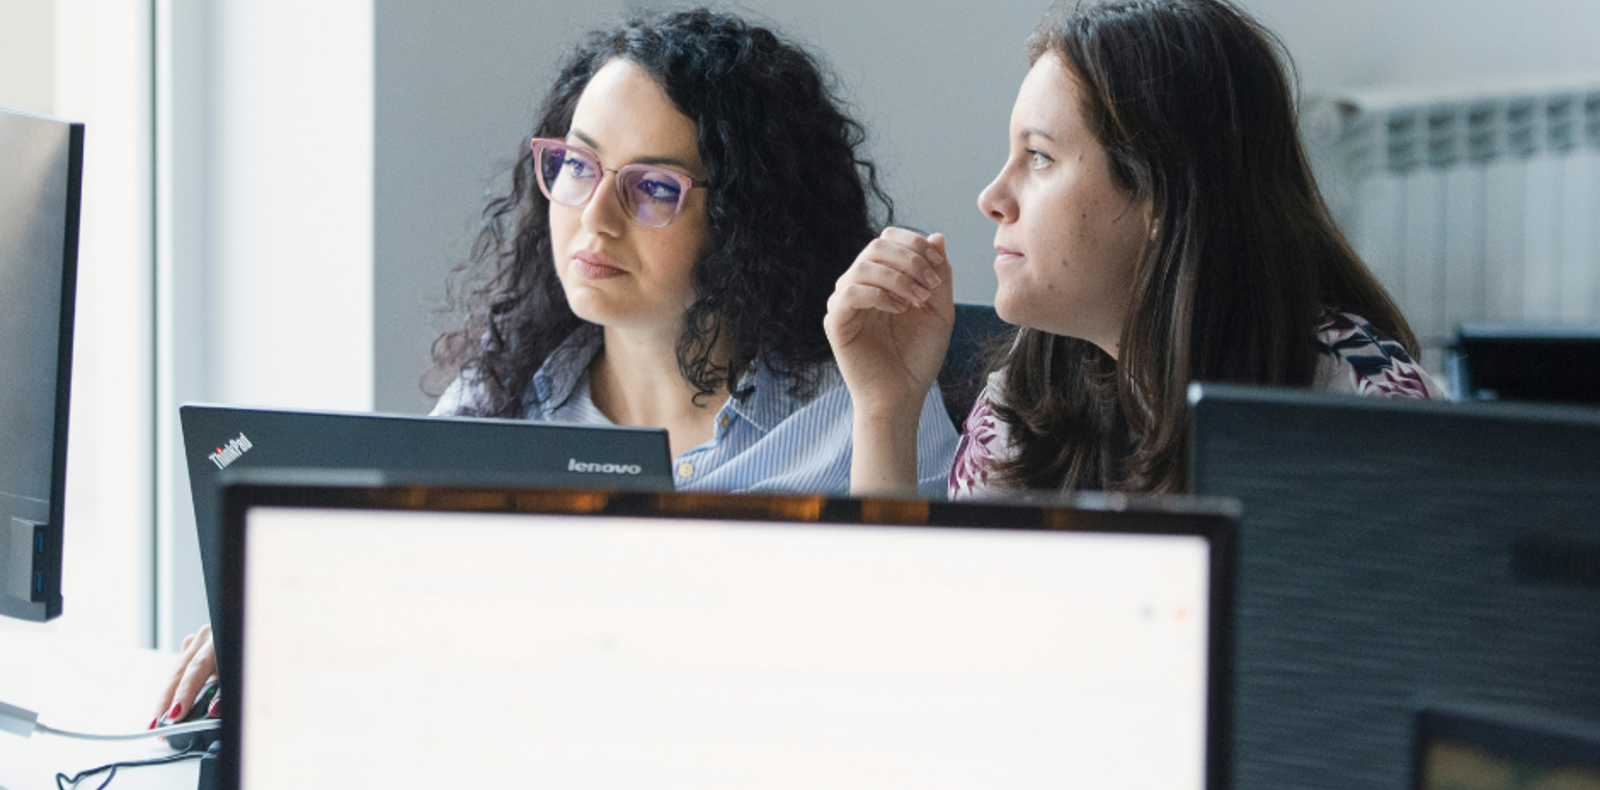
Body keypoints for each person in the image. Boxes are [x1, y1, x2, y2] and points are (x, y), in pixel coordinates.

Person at [153, 7, 958, 730]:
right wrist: (286, 620)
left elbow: (907, 684)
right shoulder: (499, 399)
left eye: (651, 187)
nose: (593, 219)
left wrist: (884, 417)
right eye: (576, 166)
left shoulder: (862, 401)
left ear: (748, 216)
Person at [827, 0, 1443, 499]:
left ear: (1160, 196)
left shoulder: (1361, 405)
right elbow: (929, 639)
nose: (992, 197)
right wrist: (886, 410)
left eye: (1038, 156)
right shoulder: (1025, 393)